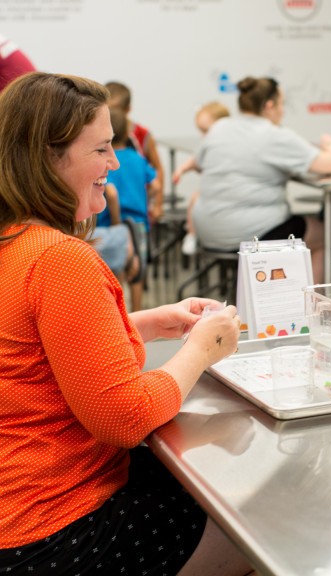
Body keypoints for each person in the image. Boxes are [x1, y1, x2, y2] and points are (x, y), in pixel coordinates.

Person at [0, 71, 255, 576]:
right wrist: (202, 349)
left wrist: (143, 323)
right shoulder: (59, 259)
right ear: (49, 158)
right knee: (258, 517)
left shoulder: (15, 244)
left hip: (15, 518)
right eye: (101, 150)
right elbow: (124, 417)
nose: (115, 164)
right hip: (54, 532)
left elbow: (33, 349)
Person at [189, 76, 331, 283]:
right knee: (325, 236)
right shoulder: (274, 135)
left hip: (205, 230)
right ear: (270, 106)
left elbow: (198, 163)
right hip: (249, 234)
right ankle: (307, 309)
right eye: (281, 104)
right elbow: (328, 164)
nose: (283, 111)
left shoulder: (219, 127)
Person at [98, 107, 160, 311]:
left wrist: (117, 223)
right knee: (138, 273)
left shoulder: (105, 160)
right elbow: (156, 185)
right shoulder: (137, 158)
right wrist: (147, 202)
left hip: (110, 226)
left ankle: (118, 315)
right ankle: (137, 315)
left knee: (115, 273)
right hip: (138, 225)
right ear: (127, 133)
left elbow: (111, 193)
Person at [173, 101, 231, 255]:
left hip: (228, 191)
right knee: (195, 198)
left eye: (206, 131)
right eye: (201, 131)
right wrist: (181, 169)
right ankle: (191, 234)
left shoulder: (231, 144)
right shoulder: (207, 144)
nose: (203, 136)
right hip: (212, 191)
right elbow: (195, 159)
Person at [106, 80, 165, 223]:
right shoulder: (98, 133)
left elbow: (158, 169)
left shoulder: (142, 134)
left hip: (136, 208)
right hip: (106, 214)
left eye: (115, 109)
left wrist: (157, 204)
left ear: (127, 110)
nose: (110, 114)